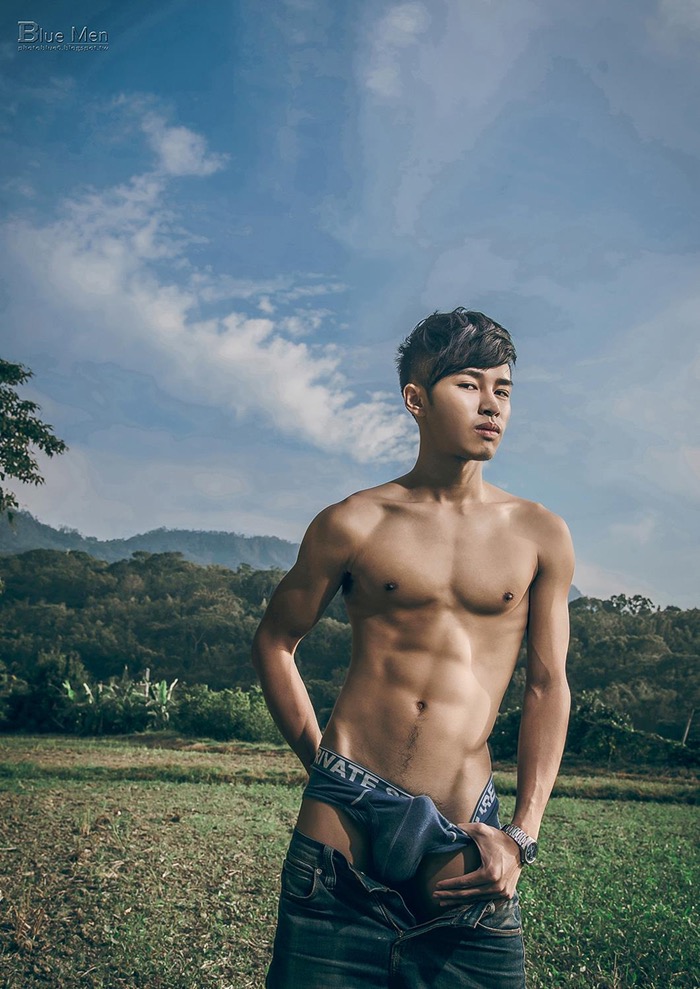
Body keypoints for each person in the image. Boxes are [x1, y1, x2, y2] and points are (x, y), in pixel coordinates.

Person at [252, 308, 574, 989]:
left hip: (463, 830)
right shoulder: (354, 521)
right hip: (342, 819)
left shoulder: (539, 533)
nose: (491, 404)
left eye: (503, 389)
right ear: (416, 398)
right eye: (469, 384)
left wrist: (523, 834)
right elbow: (276, 641)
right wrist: (322, 764)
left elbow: (548, 686)